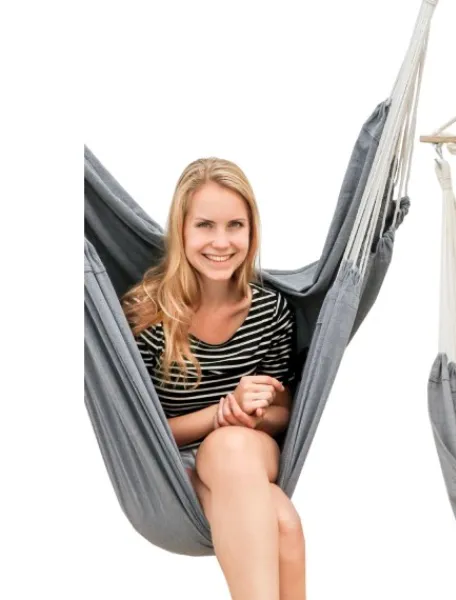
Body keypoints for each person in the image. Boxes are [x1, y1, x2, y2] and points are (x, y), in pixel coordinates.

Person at [122, 157, 305, 600]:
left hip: (250, 450)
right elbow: (139, 432)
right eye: (205, 225)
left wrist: (251, 416)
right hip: (170, 467)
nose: (221, 242)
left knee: (230, 444)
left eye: (235, 226)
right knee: (282, 523)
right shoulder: (147, 314)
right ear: (181, 230)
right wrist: (223, 412)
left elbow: (284, 414)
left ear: (251, 231)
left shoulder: (271, 310)